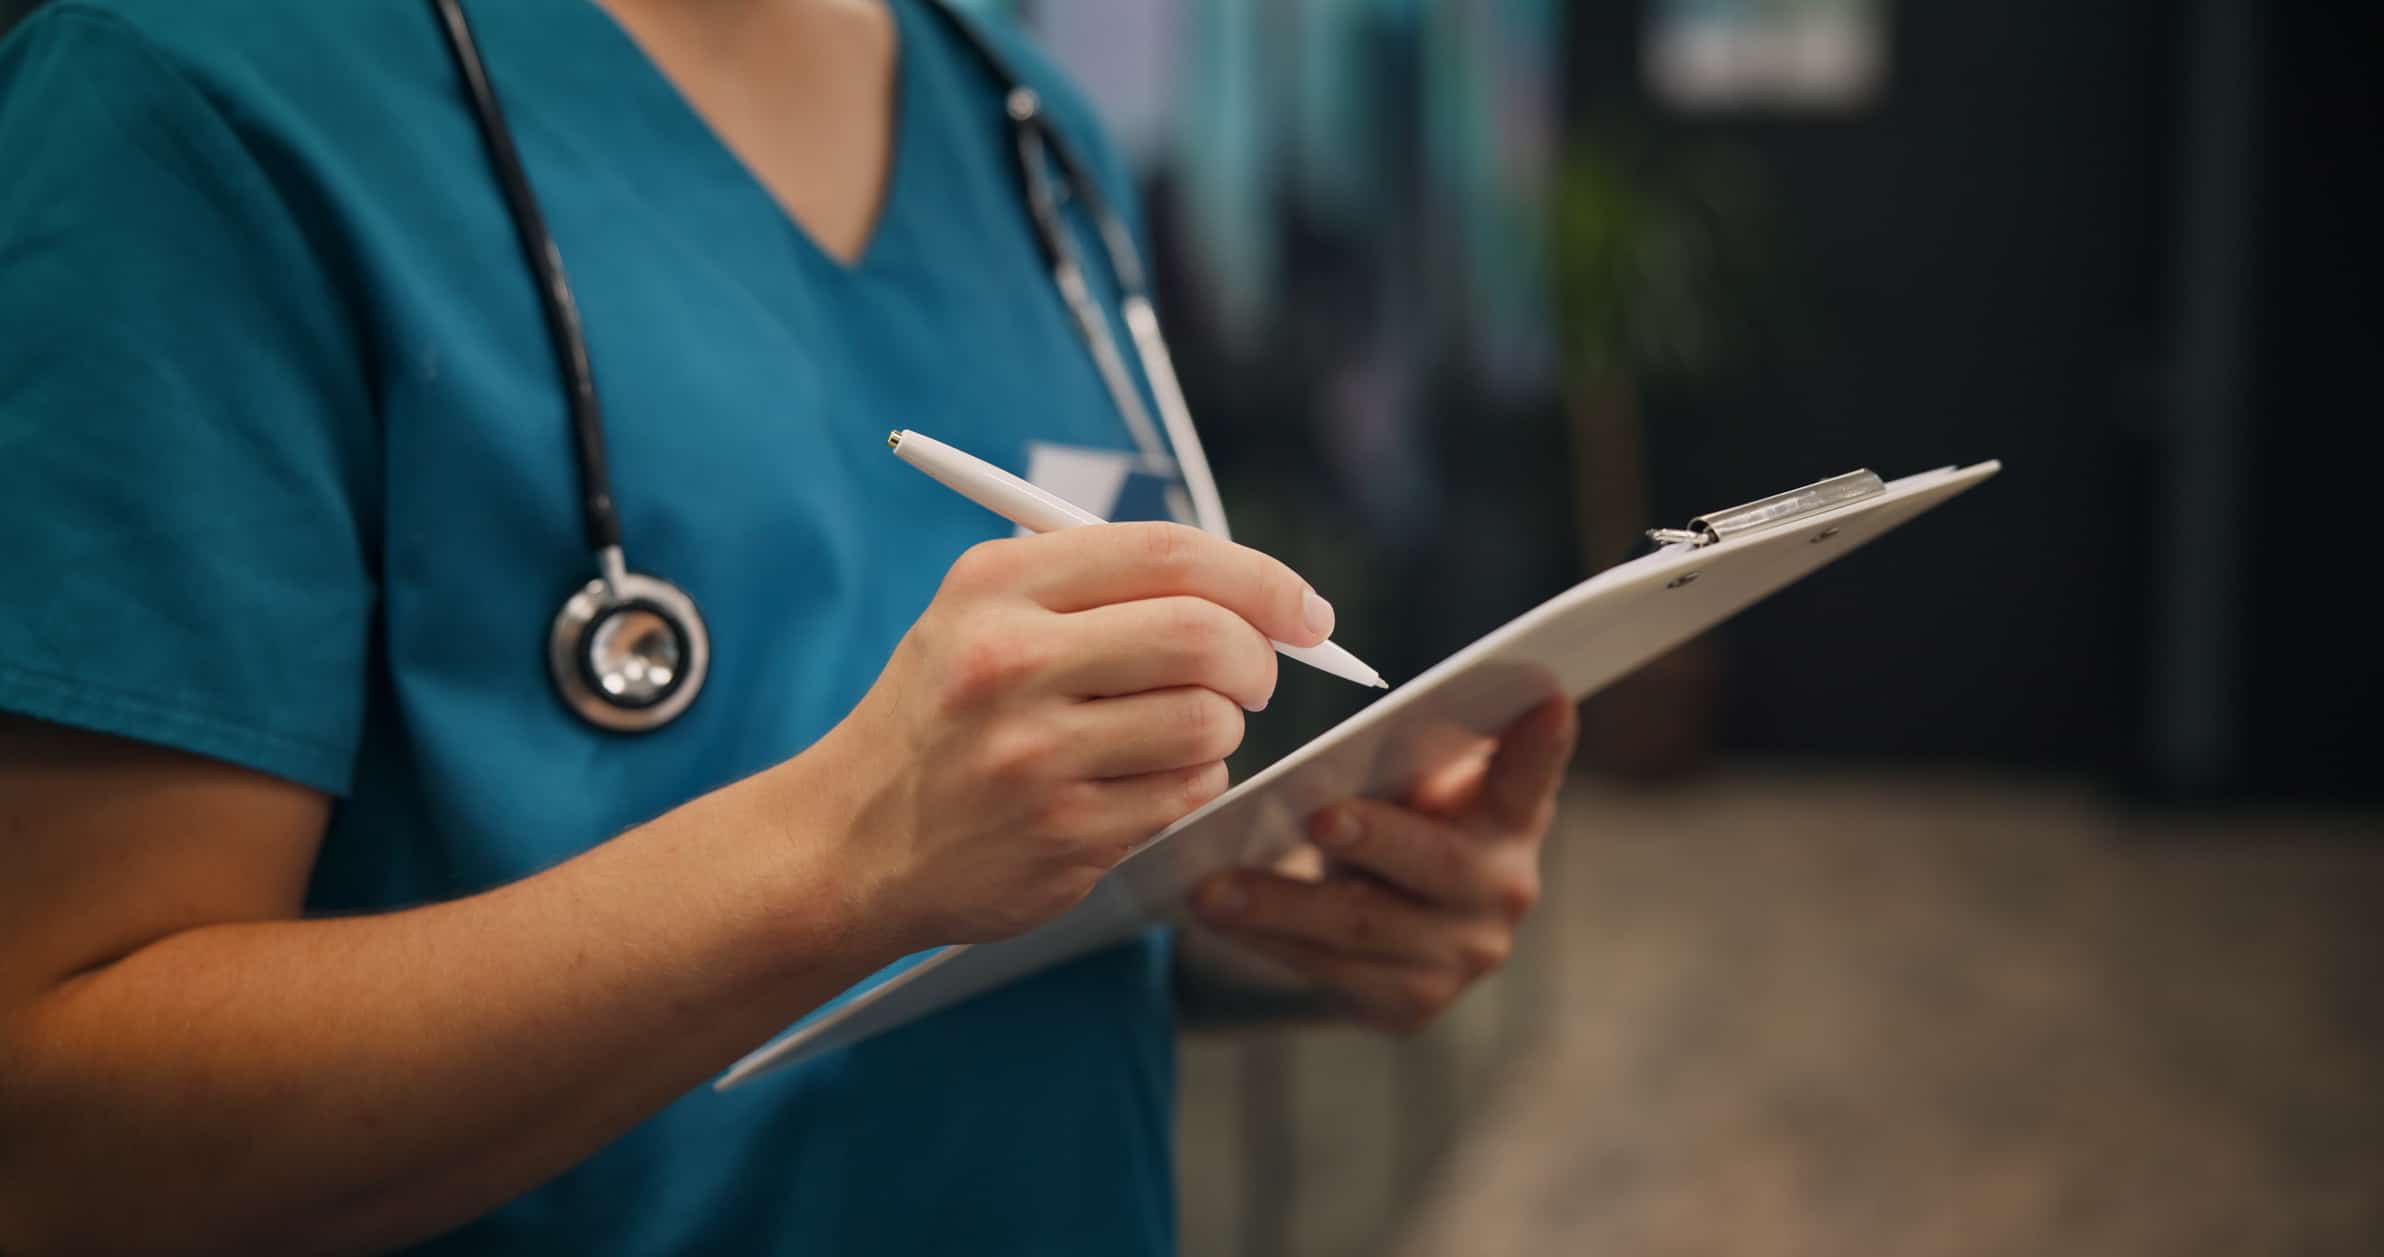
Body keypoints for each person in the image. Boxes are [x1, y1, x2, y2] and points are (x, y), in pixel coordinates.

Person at [0, 0, 1577, 1252]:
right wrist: (841, 857)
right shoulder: (187, 101)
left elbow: (969, 875)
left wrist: (1266, 903)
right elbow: (64, 1143)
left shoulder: (1024, 124)